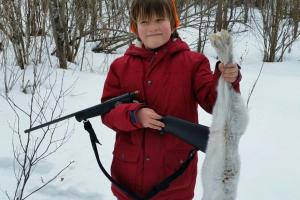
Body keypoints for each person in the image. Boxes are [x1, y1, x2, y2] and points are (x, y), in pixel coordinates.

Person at [101, 0, 241, 199]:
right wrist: (134, 115)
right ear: (135, 27)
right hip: (127, 181)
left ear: (173, 23)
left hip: (175, 180)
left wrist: (225, 80)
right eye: (144, 22)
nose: (153, 28)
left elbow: (215, 104)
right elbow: (107, 113)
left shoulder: (193, 62)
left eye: (160, 19)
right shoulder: (120, 66)